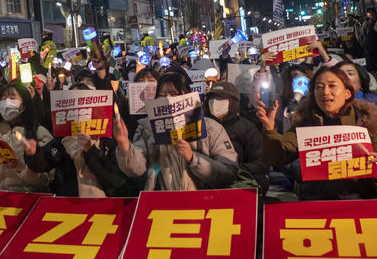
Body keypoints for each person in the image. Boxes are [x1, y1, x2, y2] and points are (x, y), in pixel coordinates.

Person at [257, 66, 377, 200]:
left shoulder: (368, 120)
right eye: (319, 87)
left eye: (332, 86)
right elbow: (279, 156)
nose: (325, 92)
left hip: (360, 203)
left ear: (347, 93)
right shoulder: (305, 122)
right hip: (316, 202)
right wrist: (269, 128)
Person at [112, 71, 239, 190]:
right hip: (163, 205)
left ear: (188, 95)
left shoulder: (211, 128)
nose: (167, 99)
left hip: (203, 203)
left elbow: (228, 171)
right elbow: (136, 169)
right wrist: (124, 145)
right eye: (162, 95)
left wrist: (193, 159)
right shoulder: (146, 128)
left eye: (174, 94)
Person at [204, 81, 269, 196]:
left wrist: (235, 170)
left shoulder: (247, 128)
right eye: (212, 98)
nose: (215, 103)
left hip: (237, 180)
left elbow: (259, 161)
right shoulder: (202, 127)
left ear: (233, 103)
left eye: (220, 99)